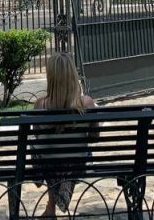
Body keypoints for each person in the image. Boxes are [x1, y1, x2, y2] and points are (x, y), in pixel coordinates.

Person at [32, 52, 97, 217]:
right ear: (73, 75)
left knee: (45, 152)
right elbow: (94, 136)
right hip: (76, 163)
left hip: (49, 163)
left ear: (51, 77)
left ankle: (51, 206)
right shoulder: (87, 103)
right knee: (74, 153)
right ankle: (58, 196)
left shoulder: (40, 105)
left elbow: (37, 135)